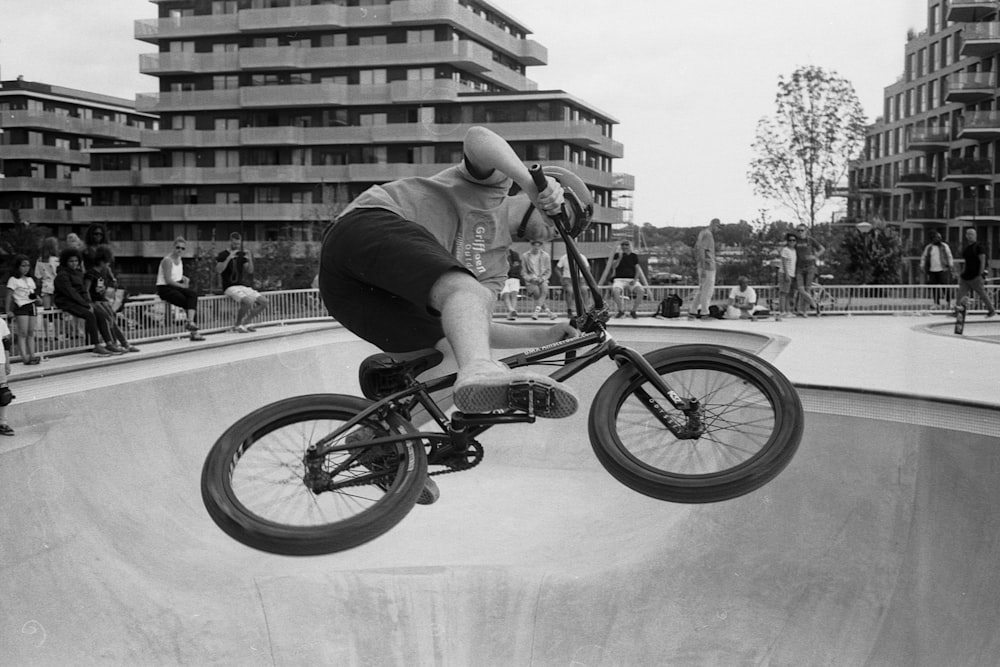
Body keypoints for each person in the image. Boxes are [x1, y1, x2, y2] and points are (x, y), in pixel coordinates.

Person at [319, 125, 591, 421]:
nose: (557, 231)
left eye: (565, 232)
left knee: (456, 353)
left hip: (355, 297)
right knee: (467, 300)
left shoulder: (498, 267)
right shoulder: (492, 185)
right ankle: (480, 370)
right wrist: (529, 182)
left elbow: (475, 325)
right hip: (365, 229)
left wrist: (544, 335)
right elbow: (478, 138)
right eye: (561, 217)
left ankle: (386, 437)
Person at [53, 248, 114, 357]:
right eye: (71, 261)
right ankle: (96, 345)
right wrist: (85, 305)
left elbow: (83, 290)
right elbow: (70, 292)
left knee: (99, 313)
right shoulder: (62, 275)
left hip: (79, 301)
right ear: (65, 262)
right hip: (66, 301)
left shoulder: (79, 273)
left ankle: (109, 343)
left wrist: (88, 303)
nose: (74, 263)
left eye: (76, 261)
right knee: (89, 315)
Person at [84, 245, 139, 353]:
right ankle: (113, 343)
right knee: (108, 321)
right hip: (95, 301)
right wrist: (89, 302)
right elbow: (86, 289)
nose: (108, 265)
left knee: (112, 321)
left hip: (103, 300)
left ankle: (123, 343)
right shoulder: (91, 274)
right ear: (102, 261)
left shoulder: (103, 273)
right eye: (107, 262)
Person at [216, 232, 269, 333]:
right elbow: (219, 270)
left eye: (238, 244)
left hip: (241, 285)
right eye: (235, 244)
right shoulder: (223, 254)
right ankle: (237, 325)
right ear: (230, 241)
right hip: (229, 286)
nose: (236, 246)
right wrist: (228, 258)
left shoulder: (241, 255)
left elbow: (250, 271)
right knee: (247, 302)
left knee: (264, 301)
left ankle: (246, 322)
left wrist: (249, 258)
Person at [157, 237, 205, 341]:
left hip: (176, 286)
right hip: (165, 288)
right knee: (188, 303)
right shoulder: (167, 260)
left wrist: (184, 278)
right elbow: (168, 279)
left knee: (193, 295)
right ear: (173, 247)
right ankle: (193, 331)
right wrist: (182, 286)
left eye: (183, 248)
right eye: (178, 247)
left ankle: (191, 323)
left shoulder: (179, 259)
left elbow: (176, 275)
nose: (180, 250)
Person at [5, 255, 41, 364]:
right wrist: (8, 310)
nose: (26, 268)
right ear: (18, 267)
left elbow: (32, 293)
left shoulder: (30, 279)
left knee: (31, 332)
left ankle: (32, 355)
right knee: (23, 332)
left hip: (32, 306)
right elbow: (9, 295)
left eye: (28, 266)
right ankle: (24, 357)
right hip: (21, 306)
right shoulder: (13, 280)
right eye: (23, 266)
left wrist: (38, 299)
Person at [599, 239, 648, 318]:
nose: (625, 247)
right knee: (615, 291)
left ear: (630, 246)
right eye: (623, 245)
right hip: (619, 279)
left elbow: (637, 269)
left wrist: (635, 279)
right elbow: (614, 266)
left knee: (641, 291)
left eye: (626, 245)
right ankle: (621, 310)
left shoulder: (634, 256)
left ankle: (633, 310)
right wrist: (620, 257)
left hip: (631, 279)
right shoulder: (617, 255)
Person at [956, 227, 997, 318]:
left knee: (982, 294)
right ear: (966, 236)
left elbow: (983, 261)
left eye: (972, 234)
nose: (970, 236)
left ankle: (992, 310)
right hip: (966, 277)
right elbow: (966, 262)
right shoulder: (967, 249)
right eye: (968, 234)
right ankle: (957, 312)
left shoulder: (979, 247)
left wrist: (981, 274)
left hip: (975, 277)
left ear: (975, 235)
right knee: (960, 294)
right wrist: (962, 274)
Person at [793, 223, 825, 317]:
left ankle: (805, 311)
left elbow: (822, 249)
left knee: (807, 289)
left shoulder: (810, 240)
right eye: (798, 230)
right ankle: (815, 306)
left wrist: (815, 256)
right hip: (799, 267)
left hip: (810, 267)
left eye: (802, 230)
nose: (800, 232)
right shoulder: (795, 241)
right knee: (801, 289)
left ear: (806, 231)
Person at [522, 240, 555, 320]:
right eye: (535, 245)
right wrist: (530, 278)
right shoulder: (525, 256)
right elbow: (523, 272)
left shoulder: (546, 255)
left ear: (541, 246)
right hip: (531, 280)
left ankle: (536, 313)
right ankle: (549, 313)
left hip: (542, 279)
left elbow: (548, 271)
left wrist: (543, 278)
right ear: (532, 246)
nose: (536, 247)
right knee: (537, 294)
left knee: (544, 291)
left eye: (538, 246)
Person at [921, 231, 954, 308]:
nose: (939, 239)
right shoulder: (929, 247)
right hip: (932, 270)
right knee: (934, 287)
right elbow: (924, 257)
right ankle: (936, 303)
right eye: (937, 237)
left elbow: (949, 256)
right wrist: (922, 265)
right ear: (933, 238)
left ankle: (949, 302)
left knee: (945, 287)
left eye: (940, 237)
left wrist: (951, 265)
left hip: (943, 269)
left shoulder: (944, 246)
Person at [694, 218, 719, 318]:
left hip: (703, 265)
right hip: (708, 266)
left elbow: (697, 249)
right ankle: (705, 312)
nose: (718, 230)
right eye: (718, 227)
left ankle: (693, 310)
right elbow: (702, 250)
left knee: (701, 290)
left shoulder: (702, 233)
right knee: (707, 291)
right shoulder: (708, 235)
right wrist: (704, 267)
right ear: (714, 224)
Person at [556, 251, 588, 318]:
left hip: (580, 278)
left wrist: (586, 276)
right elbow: (557, 269)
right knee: (570, 291)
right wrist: (561, 278)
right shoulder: (564, 258)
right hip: (568, 278)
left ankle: (585, 310)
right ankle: (569, 310)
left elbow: (587, 267)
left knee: (584, 289)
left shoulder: (582, 257)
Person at [0, 316, 15, 435]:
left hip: (0, 361)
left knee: (4, 393)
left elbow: (6, 342)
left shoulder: (0, 321)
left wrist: (7, 362)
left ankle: (2, 423)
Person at [777, 232, 798, 320]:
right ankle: (782, 311)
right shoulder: (785, 250)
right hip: (785, 273)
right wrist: (786, 274)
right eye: (790, 240)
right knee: (783, 292)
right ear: (787, 241)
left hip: (792, 273)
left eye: (793, 240)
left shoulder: (794, 251)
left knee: (789, 294)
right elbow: (784, 263)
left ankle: (788, 310)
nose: (792, 242)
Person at [500, 247, 523, 320]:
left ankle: (511, 313)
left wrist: (508, 270)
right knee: (505, 294)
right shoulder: (498, 254)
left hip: (513, 277)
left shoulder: (514, 255)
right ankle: (512, 310)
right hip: (502, 277)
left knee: (514, 294)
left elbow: (517, 268)